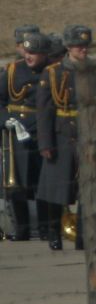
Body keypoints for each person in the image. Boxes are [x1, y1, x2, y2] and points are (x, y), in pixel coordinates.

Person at [35, 26, 91, 247]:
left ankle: (83, 236)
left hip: (87, 135)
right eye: (79, 46)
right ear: (68, 47)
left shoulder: (93, 70)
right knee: (57, 190)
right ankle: (53, 232)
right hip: (62, 136)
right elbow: (44, 111)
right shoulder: (53, 73)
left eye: (85, 46)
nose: (83, 50)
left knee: (88, 189)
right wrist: (46, 143)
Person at [5, 25, 47, 242]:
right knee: (17, 185)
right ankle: (21, 229)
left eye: (32, 51)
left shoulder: (51, 70)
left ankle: (44, 227)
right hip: (17, 136)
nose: (28, 54)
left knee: (43, 183)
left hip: (42, 131)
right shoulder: (12, 71)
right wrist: (6, 121)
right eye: (25, 49)